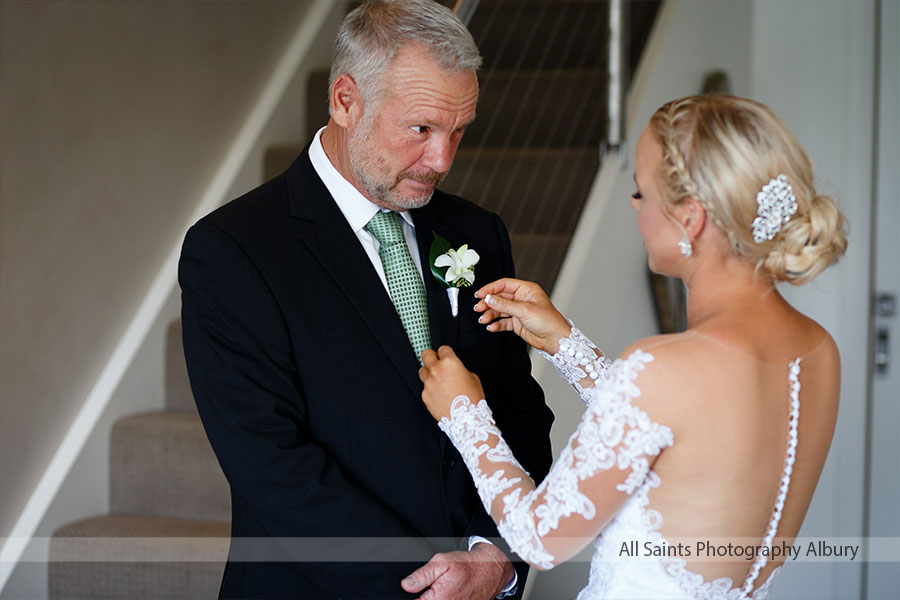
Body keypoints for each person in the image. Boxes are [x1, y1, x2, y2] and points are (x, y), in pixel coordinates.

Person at [178, 1, 553, 598]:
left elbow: (519, 412)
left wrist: (496, 556)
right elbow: (272, 465)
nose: (442, 160)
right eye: (421, 129)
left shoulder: (478, 234)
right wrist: (423, 588)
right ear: (345, 101)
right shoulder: (231, 251)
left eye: (459, 131)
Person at [419, 94, 848, 599]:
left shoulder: (663, 367)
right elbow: (684, 432)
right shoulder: (818, 351)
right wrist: (564, 341)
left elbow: (540, 538)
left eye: (640, 192)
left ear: (690, 218)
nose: (633, 205)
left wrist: (466, 415)